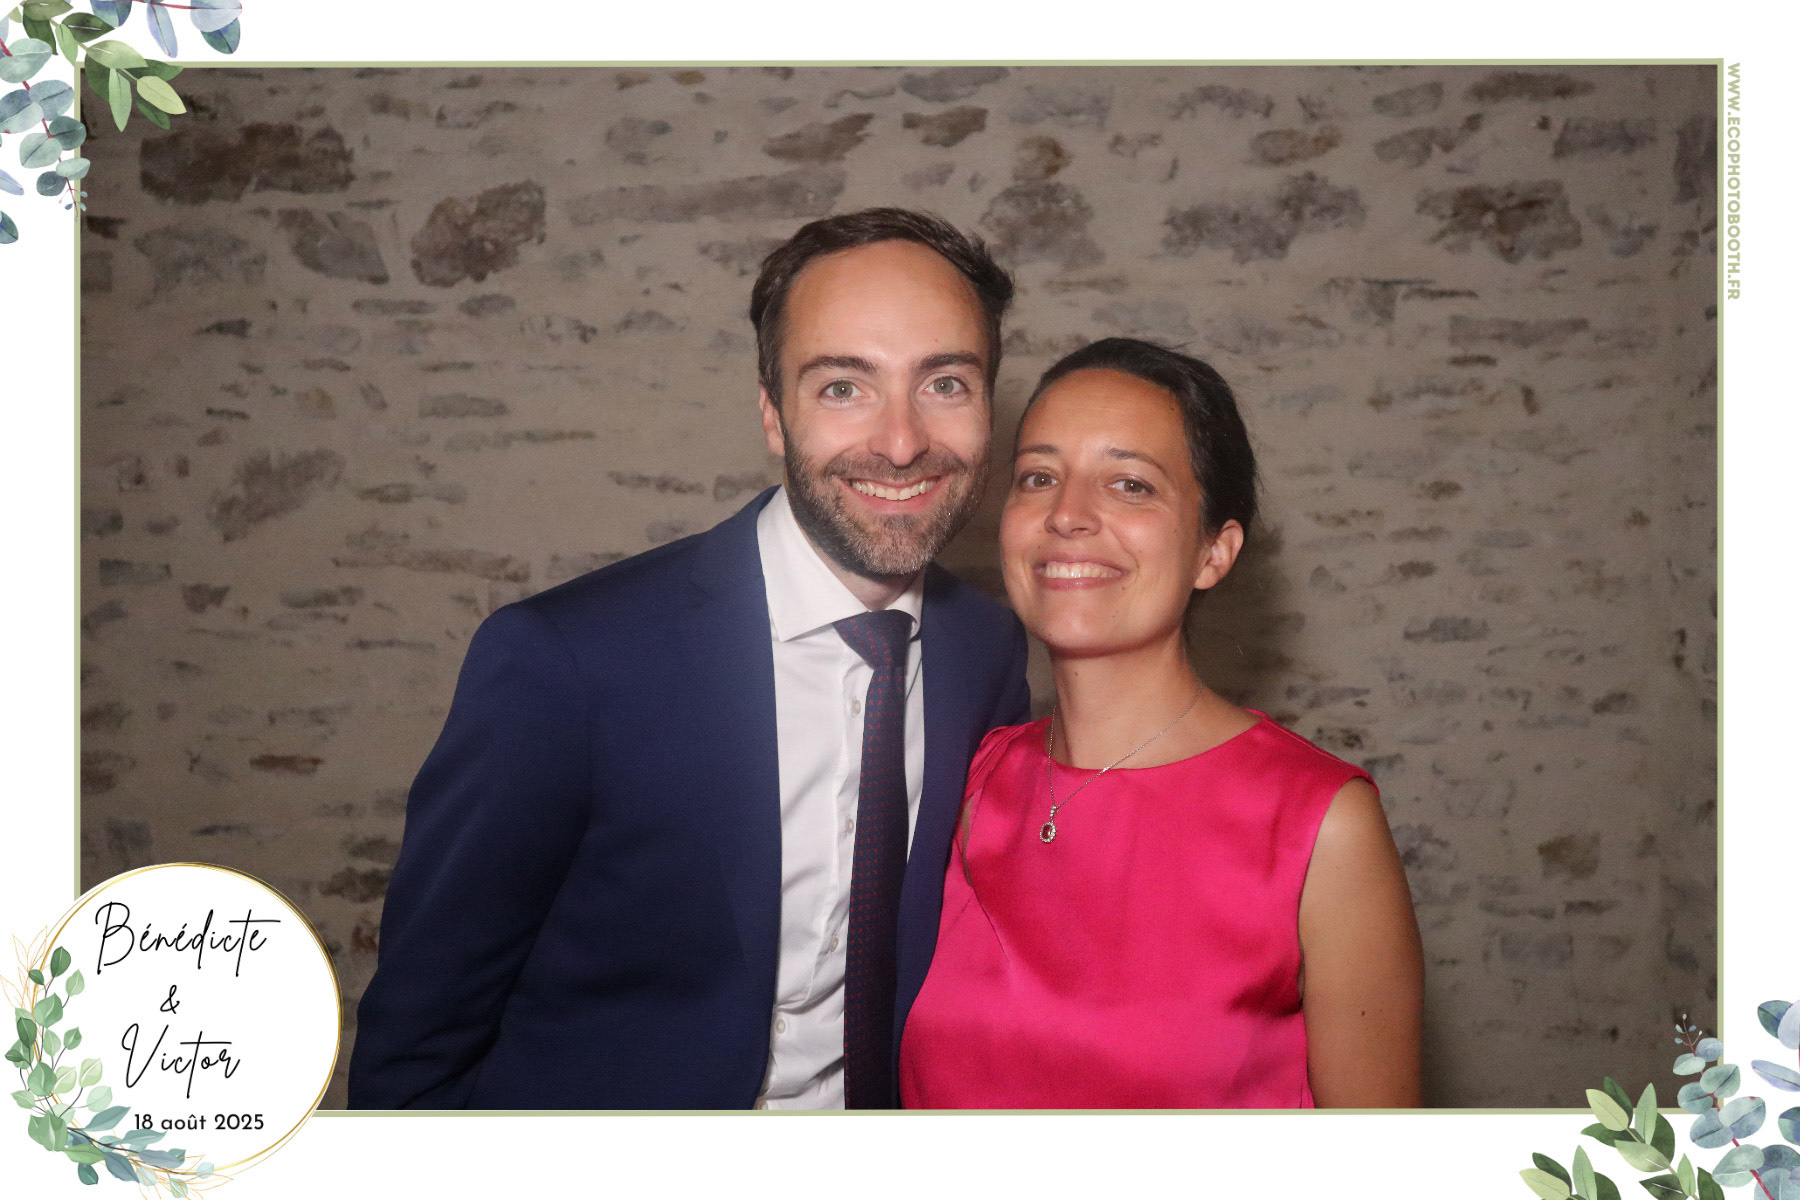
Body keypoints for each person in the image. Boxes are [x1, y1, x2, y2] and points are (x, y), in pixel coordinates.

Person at [347, 208, 1031, 1110]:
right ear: (774, 415)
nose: (901, 443)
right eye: (842, 387)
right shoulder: (566, 665)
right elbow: (418, 1045)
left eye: (944, 383)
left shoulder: (987, 650)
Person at [899, 337, 1423, 1108]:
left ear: (1214, 551)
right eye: (1039, 477)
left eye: (1131, 485)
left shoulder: (1319, 826)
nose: (1067, 515)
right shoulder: (961, 781)